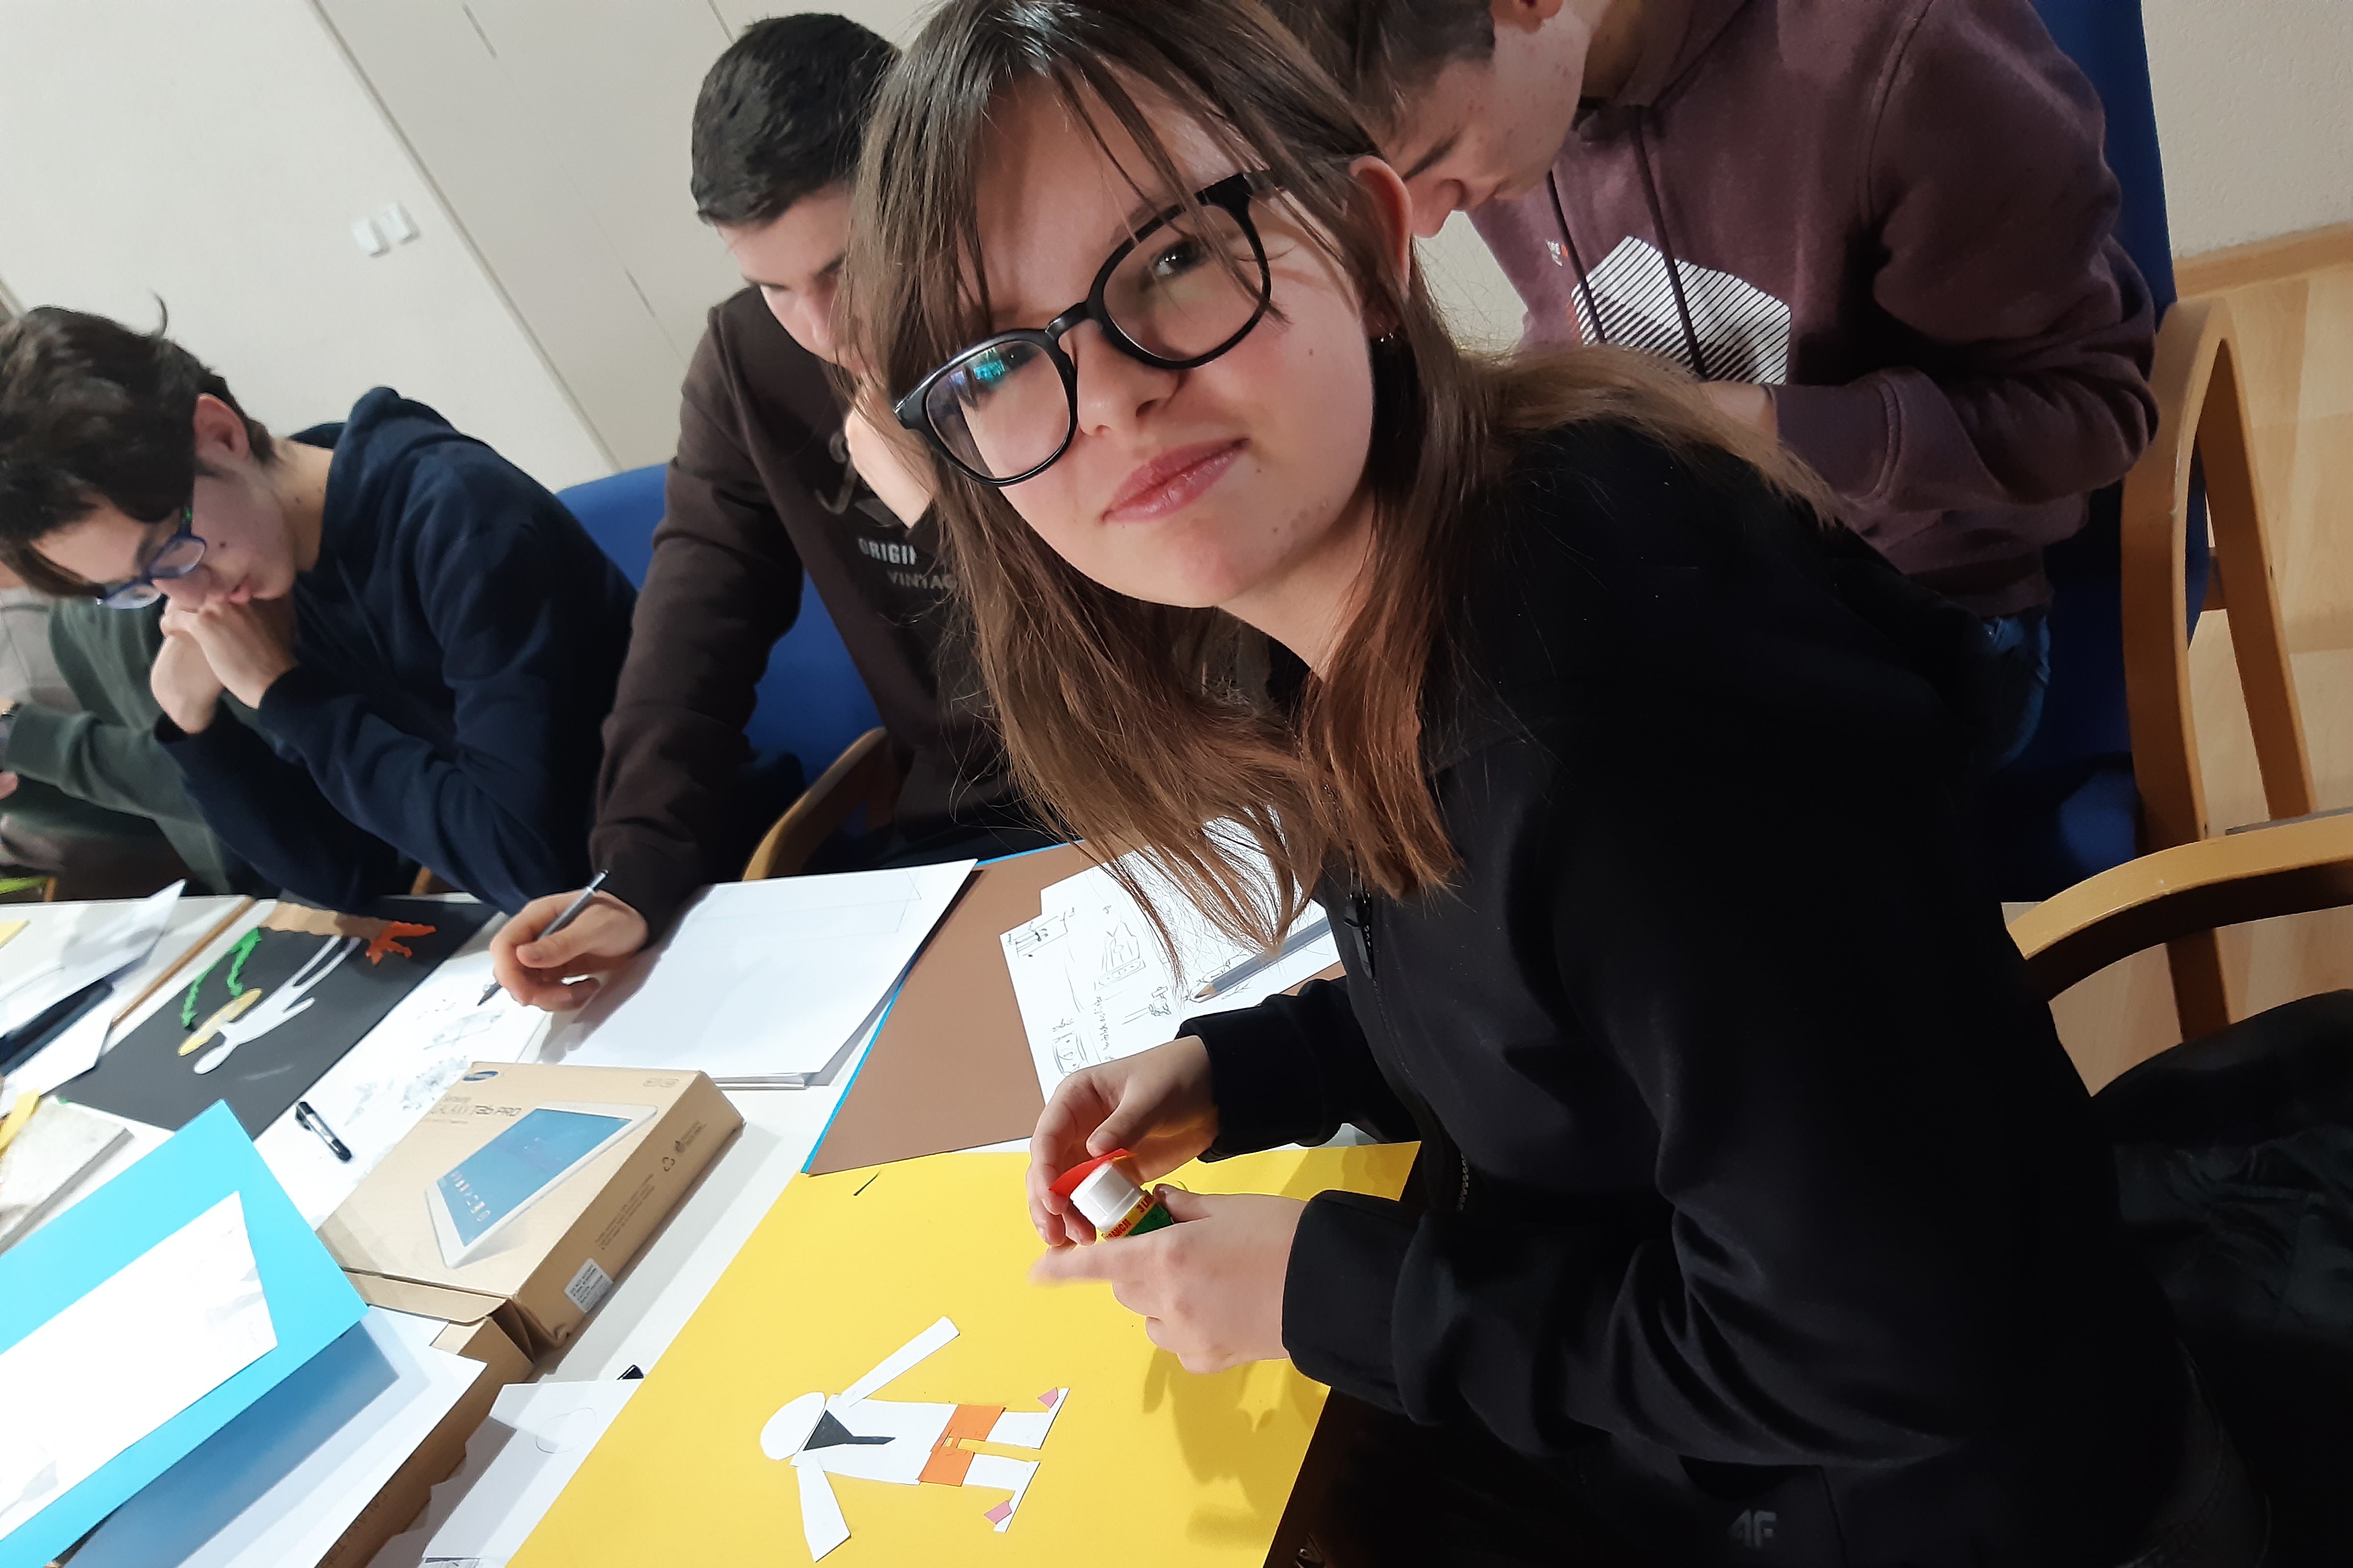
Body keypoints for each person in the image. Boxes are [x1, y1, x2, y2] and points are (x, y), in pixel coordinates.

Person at [845, 1, 2260, 1563]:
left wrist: (1330, 1292)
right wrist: (1252, 1068)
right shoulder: (1371, 615)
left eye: (1172, 257)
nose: (1108, 392)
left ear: (1365, 243)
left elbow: (1893, 1353)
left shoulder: (1587, 705)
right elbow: (1537, 1008)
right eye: (997, 358)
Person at [1260, 0, 2158, 769]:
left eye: (1435, 160)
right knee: (1427, 759)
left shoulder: (1899, 57)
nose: (1421, 225)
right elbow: (1588, 311)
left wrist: (1765, 427)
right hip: (1691, 580)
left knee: (1636, 839)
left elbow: (2092, 411)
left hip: (1930, 609)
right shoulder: (1521, 114)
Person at [491, 13, 1054, 1010]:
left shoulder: (1042, 293)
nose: (824, 328)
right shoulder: (749, 360)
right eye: (774, 286)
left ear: (933, 183)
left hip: (1155, 782)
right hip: (966, 828)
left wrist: (934, 500)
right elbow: (693, 626)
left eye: (844, 268)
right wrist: (633, 869)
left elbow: (1150, 649)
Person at [0, 307, 636, 914]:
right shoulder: (270, 565)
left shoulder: (459, 515)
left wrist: (282, 692)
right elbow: (347, 874)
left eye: (170, 551)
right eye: (137, 586)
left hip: (666, 877)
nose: (189, 599)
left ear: (219, 434)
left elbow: (533, 865)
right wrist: (199, 732)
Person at [2, 595, 253, 895]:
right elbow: (151, 811)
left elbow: (243, 786)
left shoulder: (177, 592)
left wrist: (18, 734)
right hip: (235, 888)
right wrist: (18, 790)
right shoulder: (70, 617)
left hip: (274, 880)